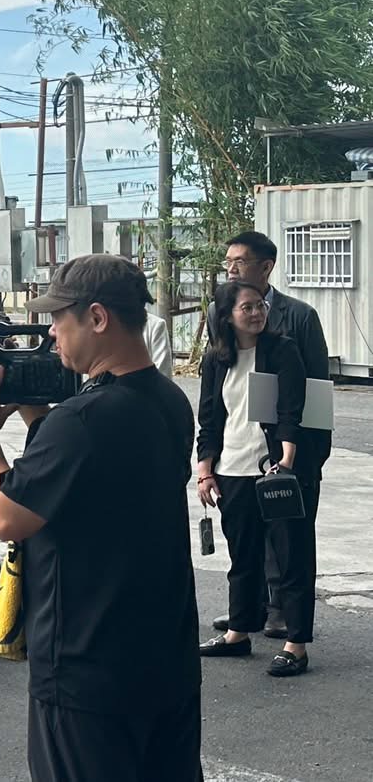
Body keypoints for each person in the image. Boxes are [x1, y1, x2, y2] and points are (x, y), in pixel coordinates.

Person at [0, 255, 200, 782]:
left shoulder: (82, 420)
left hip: (87, 668)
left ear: (98, 318)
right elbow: (93, 481)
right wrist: (39, 414)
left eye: (59, 319)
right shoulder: (170, 401)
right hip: (165, 661)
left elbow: (7, 516)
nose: (51, 335)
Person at [209, 230, 332, 642]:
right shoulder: (218, 312)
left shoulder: (298, 317)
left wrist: (310, 456)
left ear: (265, 267)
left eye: (239, 262)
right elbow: (220, 390)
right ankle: (249, 612)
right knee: (246, 541)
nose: (231, 269)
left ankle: (283, 613)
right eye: (228, 262)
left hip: (288, 450)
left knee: (289, 543)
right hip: (239, 454)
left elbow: (316, 392)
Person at [196, 281, 314, 676]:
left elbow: (291, 410)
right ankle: (238, 632)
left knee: (291, 555)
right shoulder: (217, 358)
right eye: (246, 307)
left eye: (260, 305)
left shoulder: (282, 350)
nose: (257, 312)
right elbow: (209, 418)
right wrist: (205, 470)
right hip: (232, 470)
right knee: (242, 556)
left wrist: (286, 462)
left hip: (274, 470)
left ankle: (296, 644)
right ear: (227, 315)